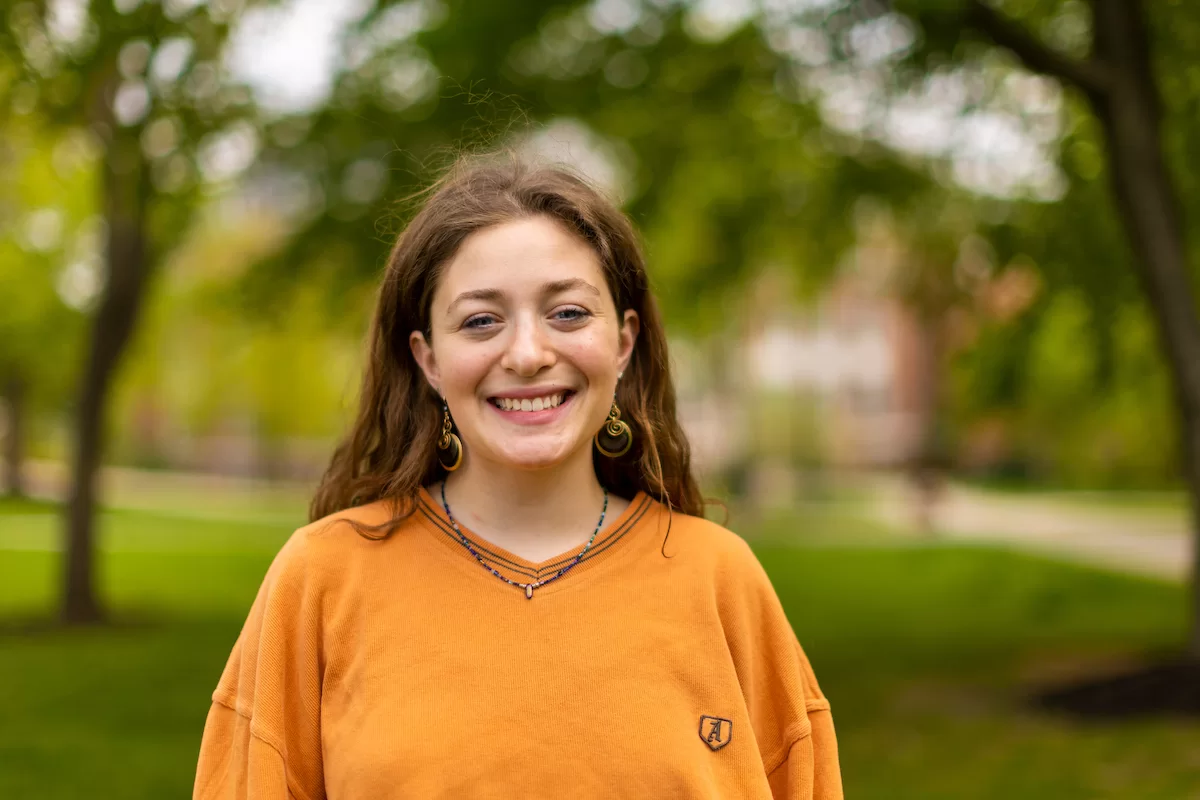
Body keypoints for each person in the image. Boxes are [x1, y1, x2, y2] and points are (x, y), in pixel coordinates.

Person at [193, 153, 842, 799]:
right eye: (481, 320)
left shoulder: (722, 581)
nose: (528, 354)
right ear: (428, 360)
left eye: (567, 313)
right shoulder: (322, 579)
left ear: (622, 342)